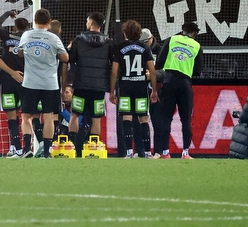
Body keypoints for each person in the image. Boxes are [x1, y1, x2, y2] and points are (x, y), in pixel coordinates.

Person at [15, 9, 69, 158]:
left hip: (30, 82)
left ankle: (27, 149)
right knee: (49, 116)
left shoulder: (26, 35)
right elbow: (65, 57)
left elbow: (19, 53)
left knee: (26, 116)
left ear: (34, 20)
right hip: (49, 83)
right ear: (49, 22)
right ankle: (46, 152)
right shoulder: (54, 38)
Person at [66, 12, 113, 157]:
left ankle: (72, 147)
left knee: (75, 114)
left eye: (87, 21)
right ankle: (93, 147)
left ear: (92, 23)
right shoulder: (108, 42)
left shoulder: (79, 40)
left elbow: (70, 60)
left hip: (81, 85)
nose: (86, 23)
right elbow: (113, 64)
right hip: (99, 86)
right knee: (96, 118)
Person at [154, 22, 203, 159]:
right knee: (186, 120)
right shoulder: (197, 46)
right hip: (185, 84)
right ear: (195, 33)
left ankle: (165, 153)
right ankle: (185, 153)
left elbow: (160, 61)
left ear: (183, 31)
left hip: (169, 82)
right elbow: (198, 71)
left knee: (166, 119)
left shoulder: (172, 39)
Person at [110, 20, 158, 158]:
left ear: (125, 33)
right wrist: (154, 91)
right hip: (141, 87)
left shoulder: (119, 48)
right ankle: (148, 152)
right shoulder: (145, 48)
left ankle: (129, 153)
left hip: (125, 86)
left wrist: (112, 91)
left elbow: (114, 72)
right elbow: (152, 71)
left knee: (127, 118)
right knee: (143, 118)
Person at [0, 13, 27, 156]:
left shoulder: (7, 37)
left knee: (11, 115)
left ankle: (16, 147)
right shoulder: (29, 39)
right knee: (27, 115)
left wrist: (7, 13)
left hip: (8, 79)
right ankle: (28, 147)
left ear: (14, 27)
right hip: (25, 80)